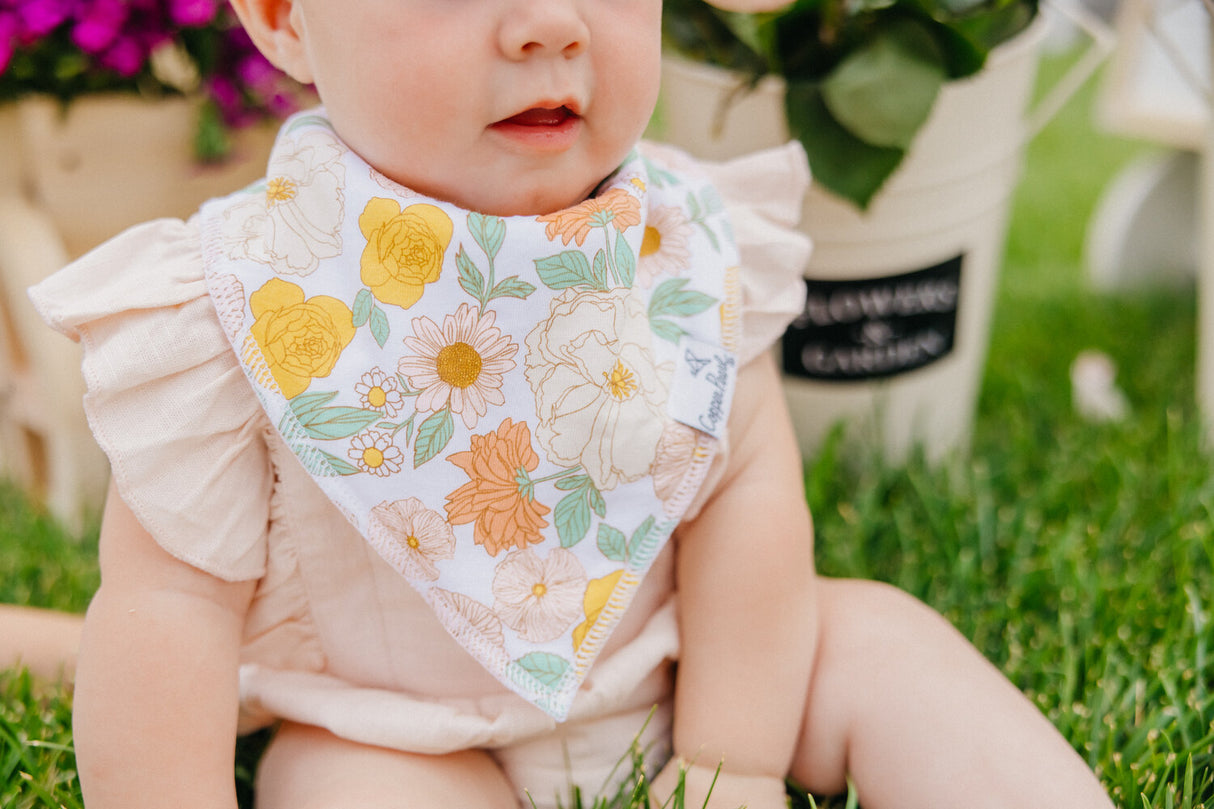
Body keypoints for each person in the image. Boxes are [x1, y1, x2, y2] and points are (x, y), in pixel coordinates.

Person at [25, 1, 1116, 807]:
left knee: (878, 638)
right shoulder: (243, 301)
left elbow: (743, 492)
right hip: (393, 725)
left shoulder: (682, 241)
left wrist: (730, 757)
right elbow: (170, 610)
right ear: (282, 19)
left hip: (680, 663)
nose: (548, 25)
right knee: (348, 788)